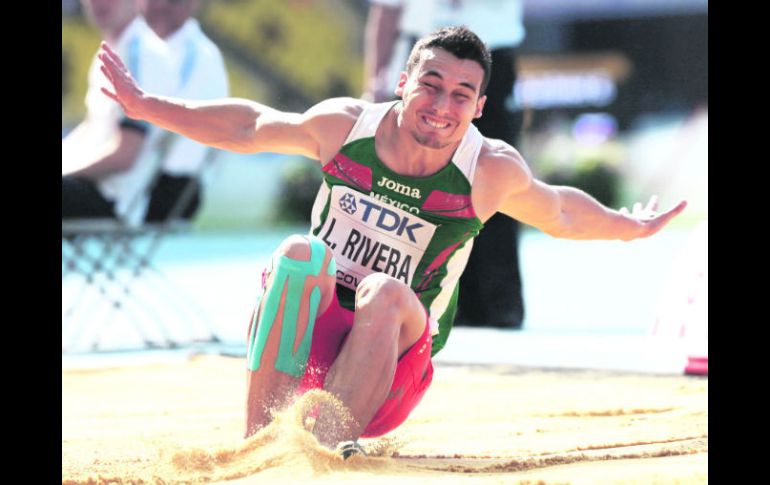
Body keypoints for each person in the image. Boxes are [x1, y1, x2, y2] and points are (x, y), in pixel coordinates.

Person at [97, 26, 686, 457]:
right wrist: (147, 106)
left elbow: (558, 210)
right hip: (311, 343)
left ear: (479, 108)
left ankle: (319, 458)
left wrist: (628, 226)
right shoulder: (344, 125)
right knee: (299, 255)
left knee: (385, 291)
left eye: (461, 95)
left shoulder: (490, 170)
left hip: (391, 371)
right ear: (403, 82)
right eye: (430, 85)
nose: (441, 106)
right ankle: (260, 451)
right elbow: (249, 126)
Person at [364, 0, 528, 328]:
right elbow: (386, 9)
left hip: (492, 57)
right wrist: (375, 77)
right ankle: (414, 300)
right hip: (426, 60)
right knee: (413, 183)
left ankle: (500, 303)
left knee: (495, 177)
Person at [62, 0, 176, 226]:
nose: (99, 3)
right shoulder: (114, 50)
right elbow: (91, 128)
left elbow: (125, 155)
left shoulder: (141, 54)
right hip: (94, 189)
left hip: (113, 200)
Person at [139, 0, 229, 221]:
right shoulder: (144, 45)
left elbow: (155, 135)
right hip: (143, 178)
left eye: (172, 1)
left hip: (163, 186)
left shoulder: (198, 55)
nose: (159, 5)